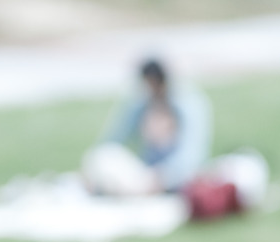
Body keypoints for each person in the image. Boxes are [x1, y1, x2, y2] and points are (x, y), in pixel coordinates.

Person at [85, 58, 211, 195]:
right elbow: (116, 138)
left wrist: (165, 177)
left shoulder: (187, 105)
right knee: (102, 158)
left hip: (177, 177)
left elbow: (191, 153)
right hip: (147, 174)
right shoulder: (143, 104)